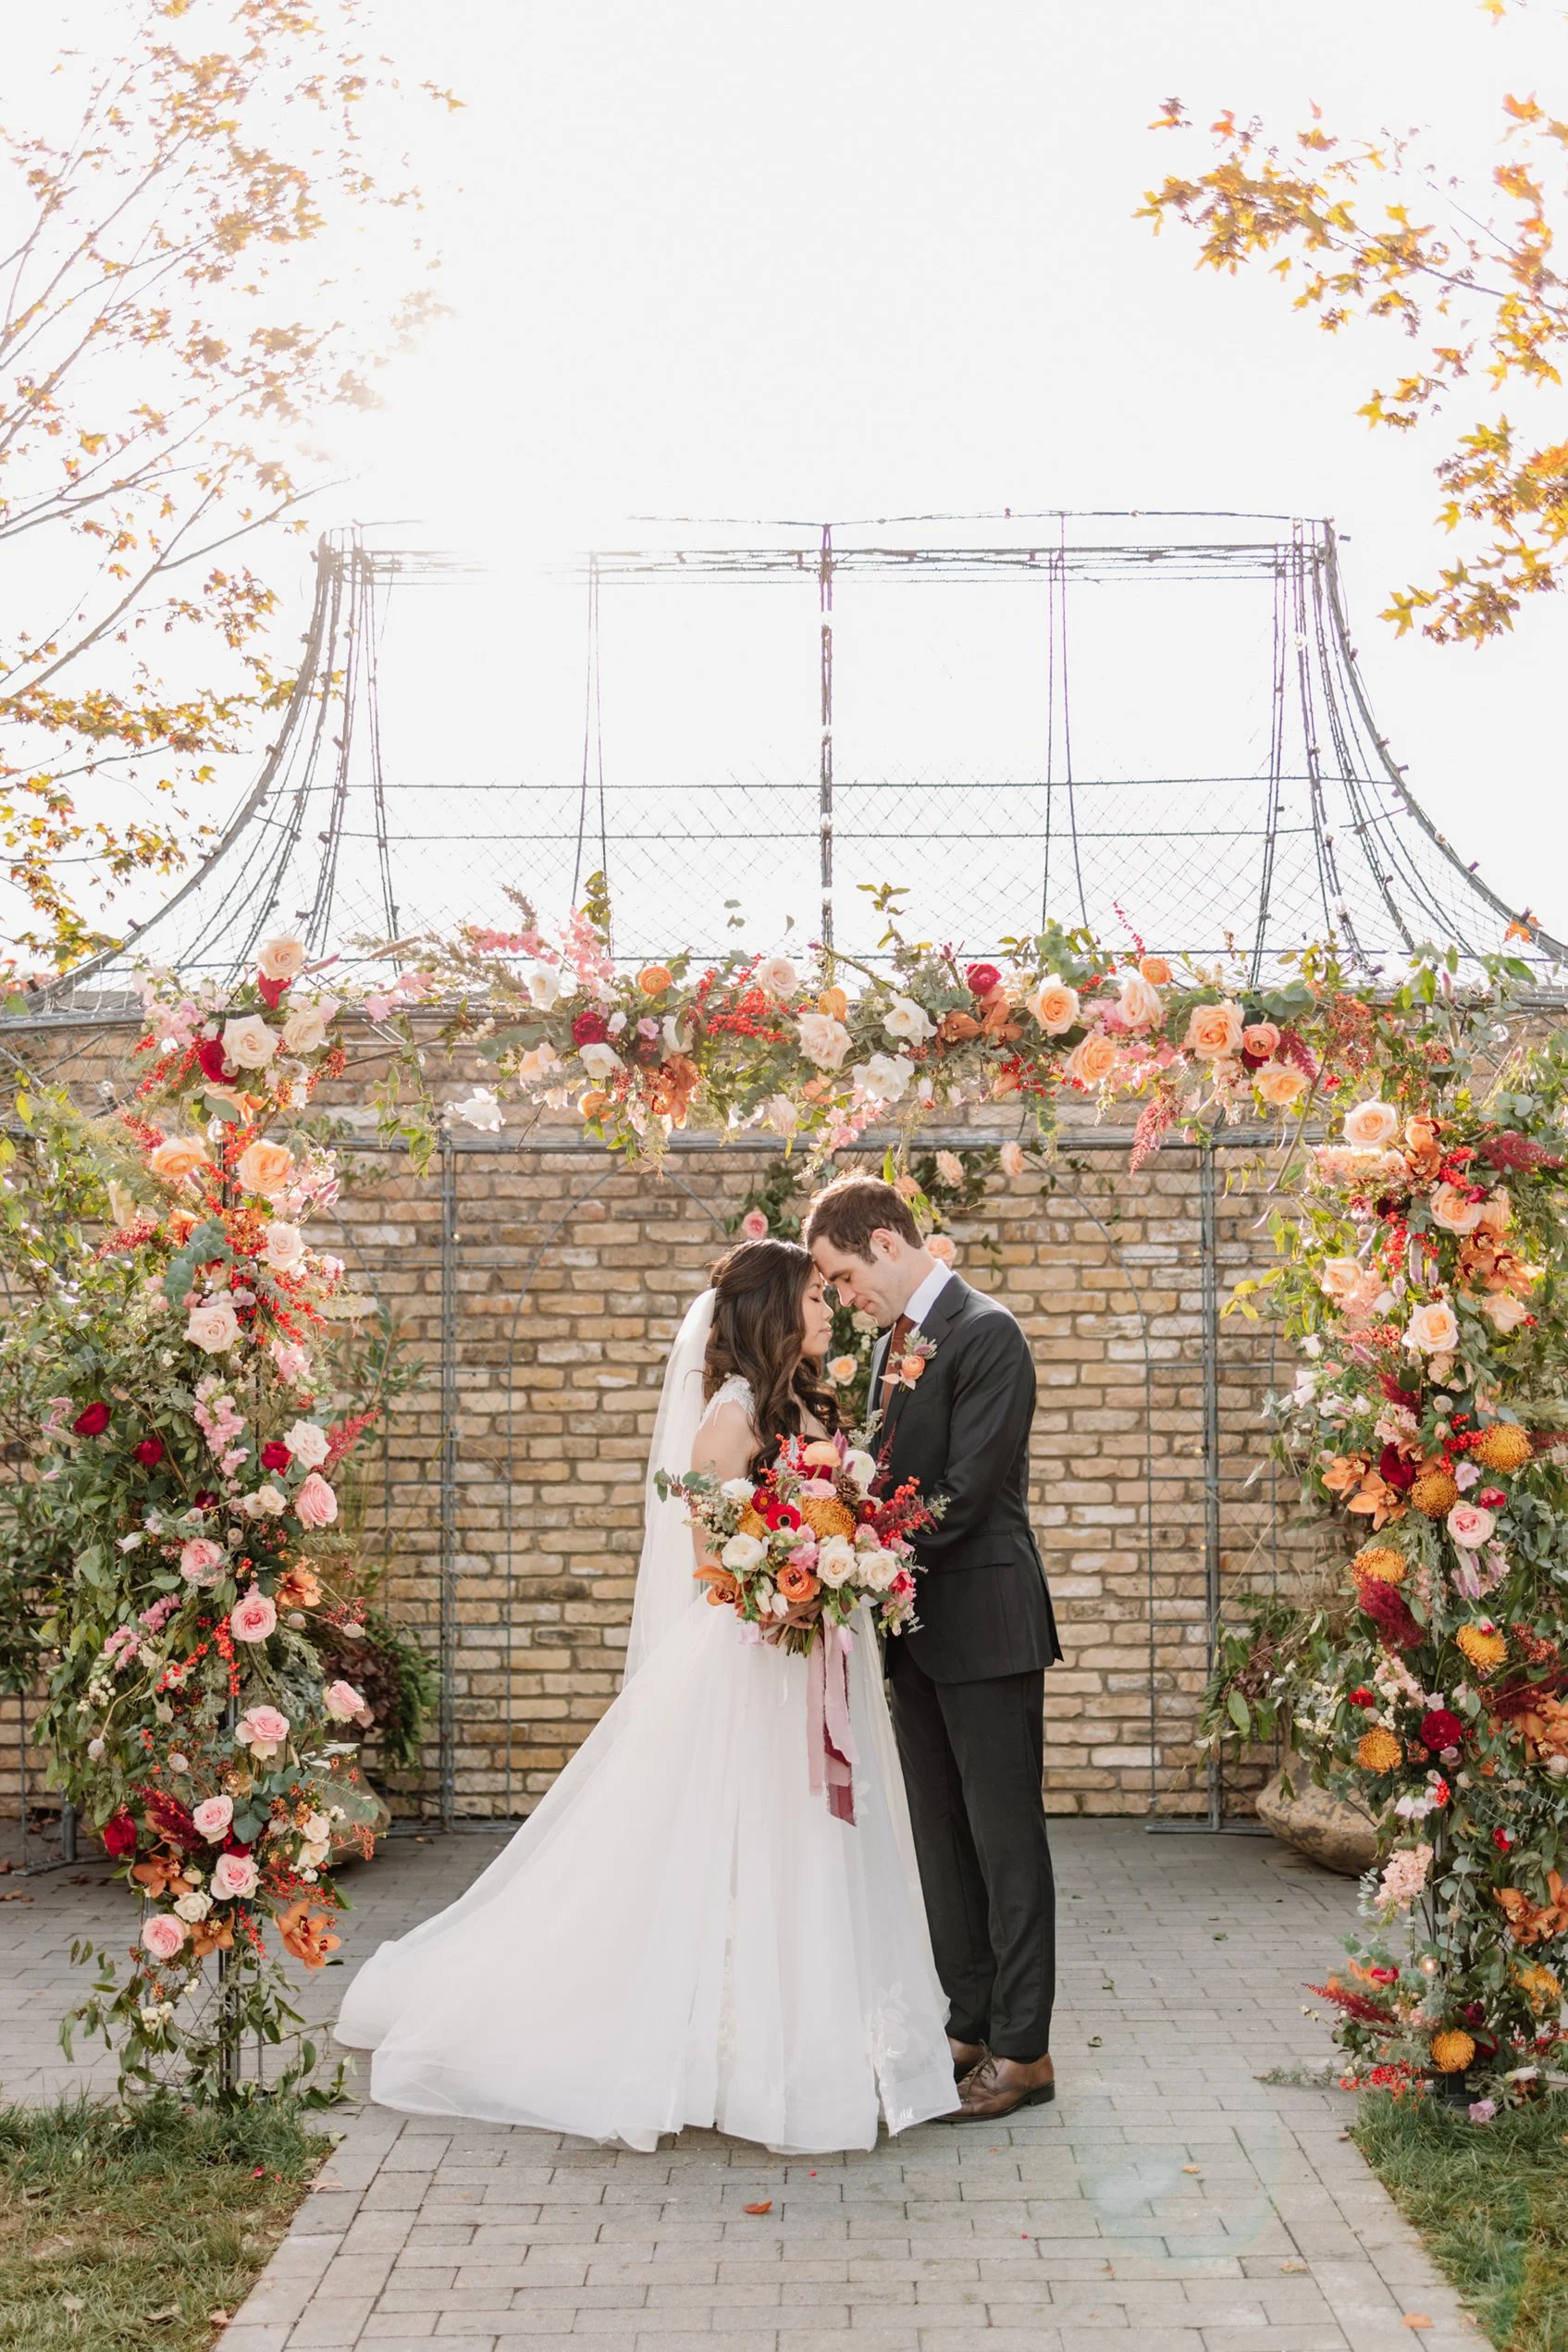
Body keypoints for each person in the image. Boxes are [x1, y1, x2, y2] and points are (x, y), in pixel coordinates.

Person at [334, 1238, 957, 2152]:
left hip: (816, 1654)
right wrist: (790, 1580)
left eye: (831, 1296)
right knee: (743, 1838)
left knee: (809, 1839)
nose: (830, 1311)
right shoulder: (728, 1422)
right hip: (752, 1657)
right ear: (773, 1314)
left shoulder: (816, 1404)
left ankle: (820, 2039)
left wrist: (846, 1567)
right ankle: (726, 2053)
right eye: (816, 1298)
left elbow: (832, 1513)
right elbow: (710, 1561)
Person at [806, 1173, 1061, 2123]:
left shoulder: (988, 1333)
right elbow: (882, 1477)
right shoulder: (888, 1349)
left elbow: (968, 1484)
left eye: (839, 1275)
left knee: (1005, 1843)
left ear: (882, 1240)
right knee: (939, 1844)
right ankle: (971, 2020)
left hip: (988, 1626)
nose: (840, 1296)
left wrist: (869, 1555)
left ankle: (1025, 2051)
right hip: (911, 1634)